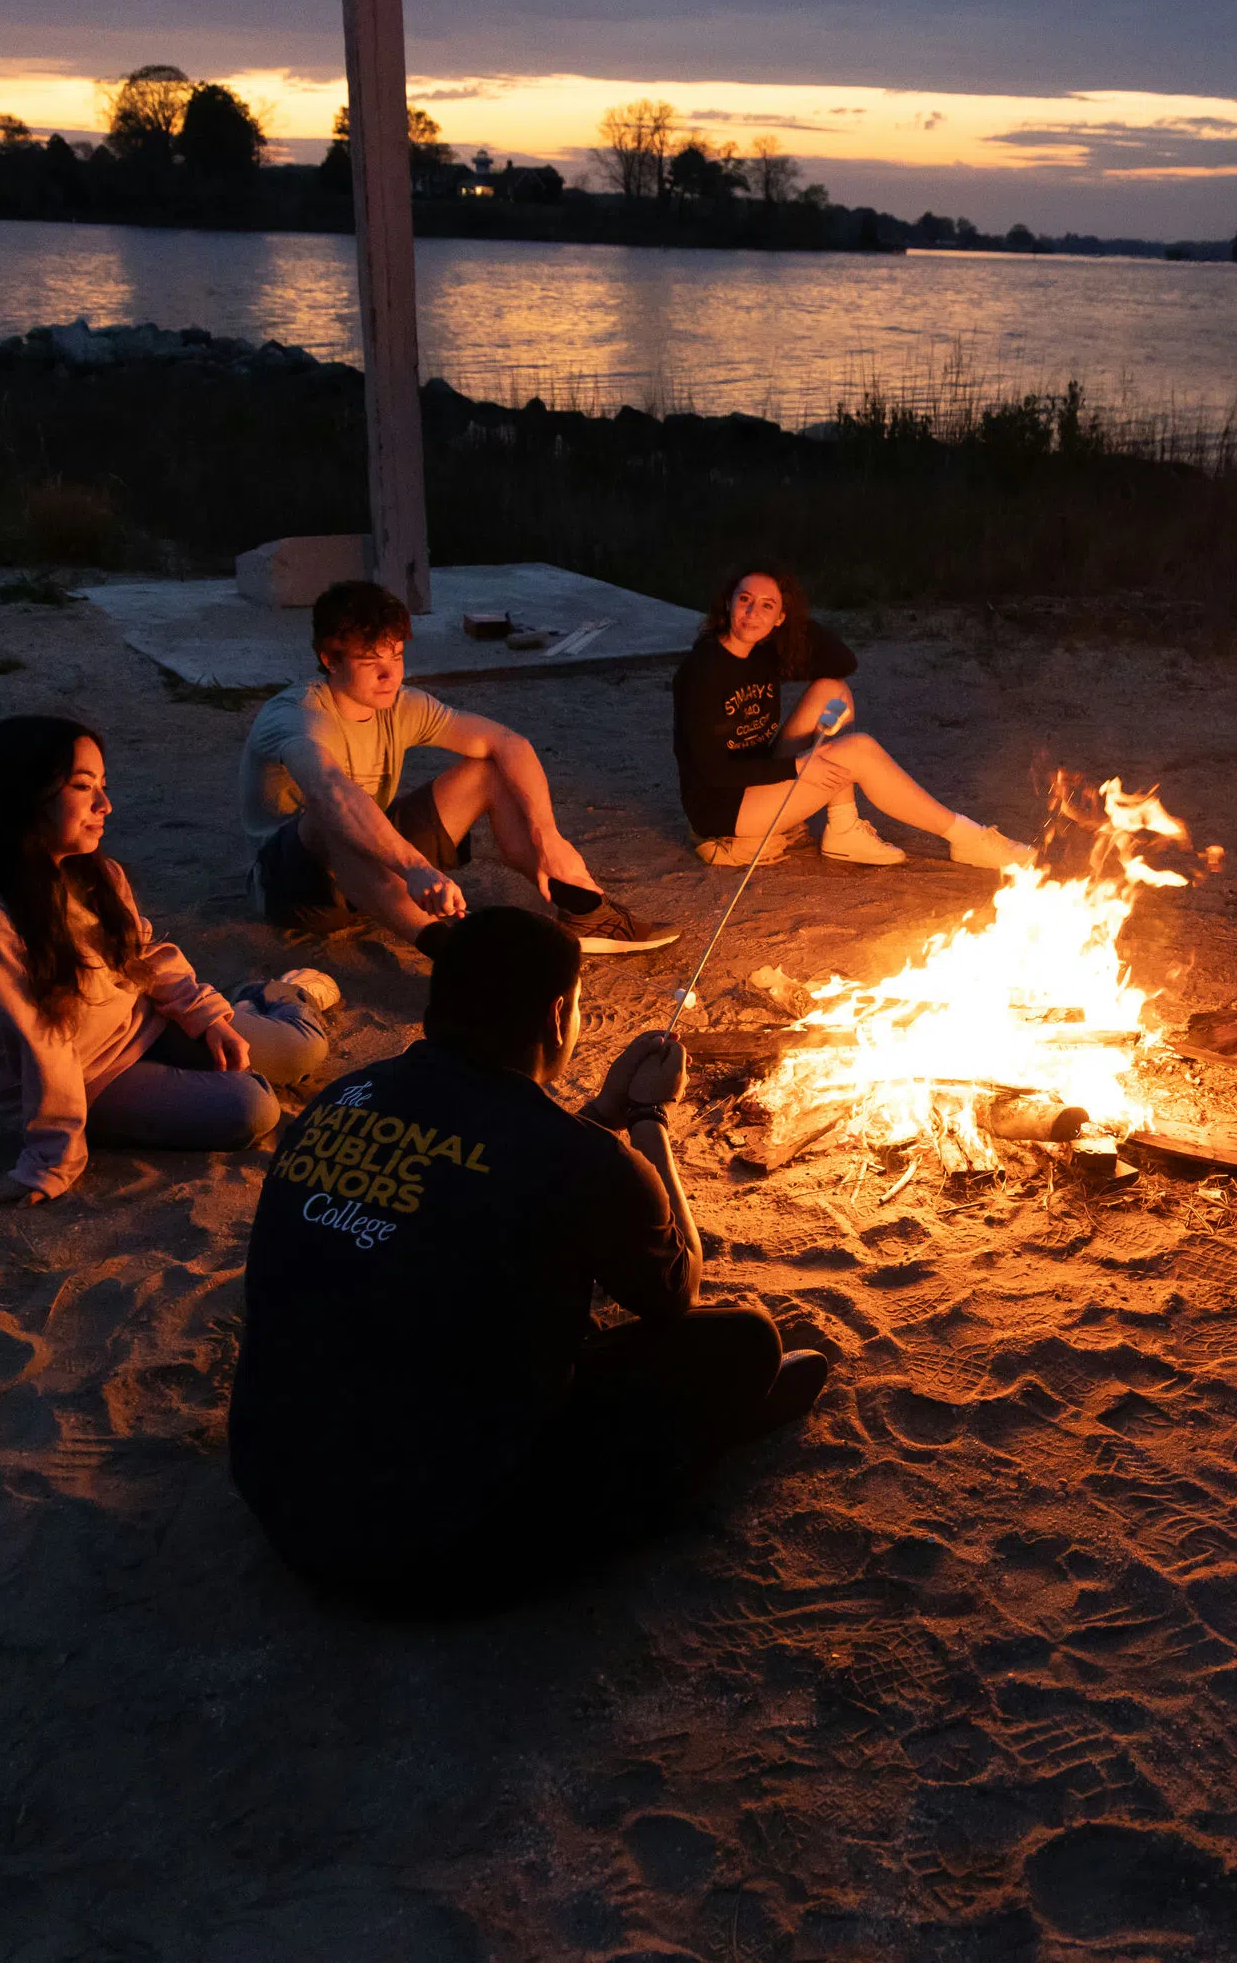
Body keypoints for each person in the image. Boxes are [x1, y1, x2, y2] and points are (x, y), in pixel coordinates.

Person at [229, 906, 831, 1610]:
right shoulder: (585, 1159)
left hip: (281, 1489)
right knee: (746, 1339)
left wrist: (601, 1114)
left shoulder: (346, 1097)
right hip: (432, 1543)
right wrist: (649, 1121)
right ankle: (696, 1443)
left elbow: (473, 1176)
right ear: (556, 1014)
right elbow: (674, 1288)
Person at [0, 715, 335, 1208]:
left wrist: (203, 1014)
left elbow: (142, 954)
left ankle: (272, 994)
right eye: (84, 787)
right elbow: (41, 1046)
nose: (105, 805)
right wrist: (51, 1160)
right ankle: (246, 1008)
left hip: (142, 1022)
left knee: (303, 1051)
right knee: (251, 1108)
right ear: (25, 796)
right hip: (91, 1079)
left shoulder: (91, 870)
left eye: (103, 786)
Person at [240, 579, 677, 959]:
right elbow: (331, 792)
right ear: (330, 659)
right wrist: (416, 868)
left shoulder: (400, 704)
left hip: (374, 873)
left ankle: (582, 910)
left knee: (489, 770)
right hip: (298, 889)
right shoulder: (299, 715)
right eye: (371, 663)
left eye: (396, 656)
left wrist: (549, 837)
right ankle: (449, 952)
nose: (390, 675)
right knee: (328, 818)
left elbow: (507, 742)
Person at [671, 565, 1035, 870]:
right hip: (723, 807)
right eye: (745, 600)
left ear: (780, 616)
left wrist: (792, 622)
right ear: (729, 603)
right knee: (858, 751)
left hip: (759, 779)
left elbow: (842, 662)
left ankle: (843, 828)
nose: (752, 614)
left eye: (768, 606)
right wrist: (797, 767)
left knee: (832, 691)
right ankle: (966, 838)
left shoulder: (763, 653)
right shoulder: (702, 671)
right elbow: (712, 772)